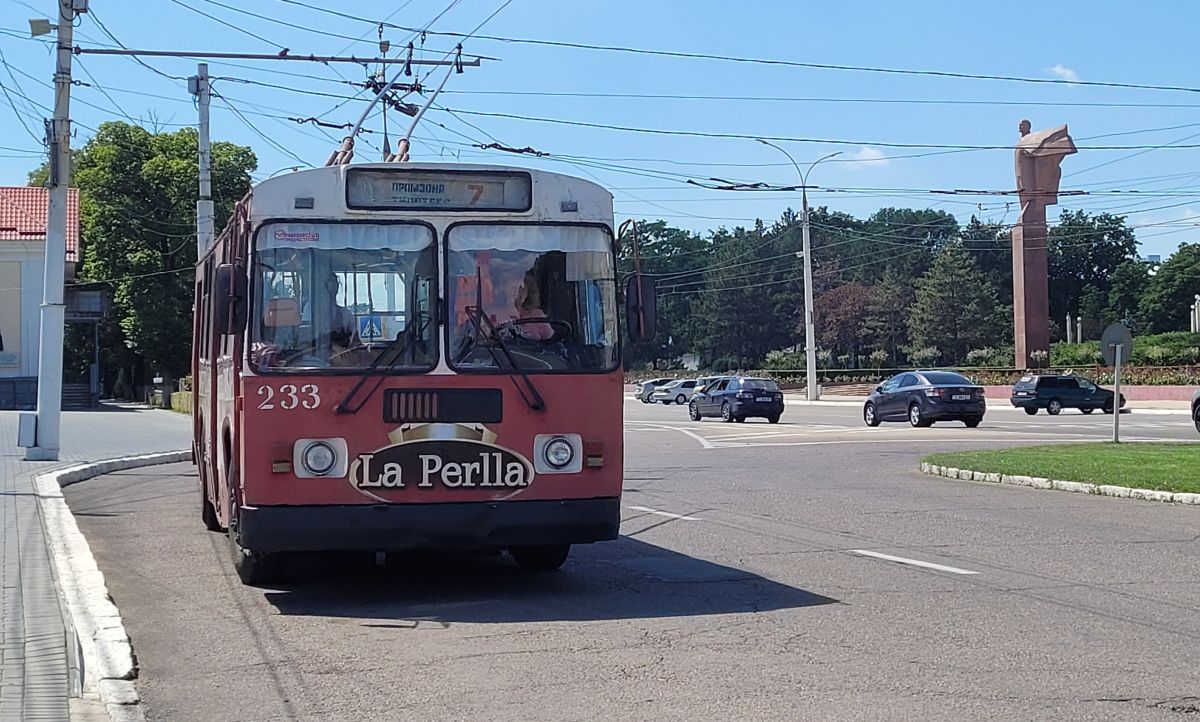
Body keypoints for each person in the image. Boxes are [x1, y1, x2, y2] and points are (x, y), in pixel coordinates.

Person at [510, 270, 555, 341]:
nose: (517, 292)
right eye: (513, 288)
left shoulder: (538, 316)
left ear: (529, 292)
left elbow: (551, 342)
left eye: (521, 288)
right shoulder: (499, 313)